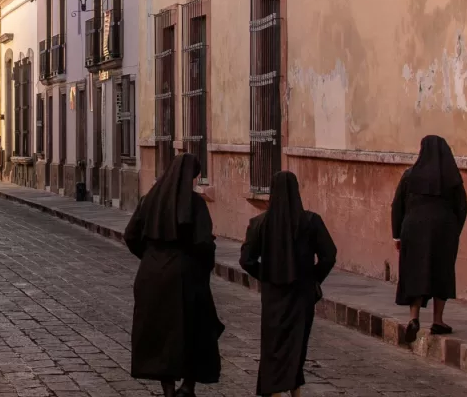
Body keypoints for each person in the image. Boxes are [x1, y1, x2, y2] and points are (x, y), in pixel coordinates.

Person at [124, 154, 224, 397]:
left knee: (159, 333)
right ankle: (187, 386)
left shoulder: (149, 199)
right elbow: (203, 243)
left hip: (151, 274)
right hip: (185, 275)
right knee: (193, 331)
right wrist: (202, 266)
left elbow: (130, 235)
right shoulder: (195, 204)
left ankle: (168, 389)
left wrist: (150, 258)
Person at [240, 171, 337, 397]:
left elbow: (246, 260)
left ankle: (274, 390)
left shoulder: (259, 223)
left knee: (273, 344)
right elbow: (329, 255)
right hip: (302, 293)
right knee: (297, 344)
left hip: (273, 294)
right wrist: (313, 277)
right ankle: (295, 390)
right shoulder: (311, 222)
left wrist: (267, 274)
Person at [391, 135, 467, 343]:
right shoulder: (452, 178)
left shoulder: (409, 175)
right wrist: (455, 230)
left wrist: (396, 234)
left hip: (413, 228)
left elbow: (397, 205)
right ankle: (438, 320)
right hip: (444, 229)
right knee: (441, 272)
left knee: (414, 271)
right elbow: (462, 206)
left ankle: (414, 318)